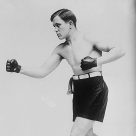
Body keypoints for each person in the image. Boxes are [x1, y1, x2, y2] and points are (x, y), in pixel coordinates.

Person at [6, 9, 125, 136]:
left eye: (58, 25)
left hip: (95, 88)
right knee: (87, 134)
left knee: (76, 133)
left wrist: (96, 62)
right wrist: (19, 68)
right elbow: (42, 71)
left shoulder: (88, 38)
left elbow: (119, 50)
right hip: (79, 91)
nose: (55, 30)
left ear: (70, 24)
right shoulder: (61, 49)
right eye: (54, 27)